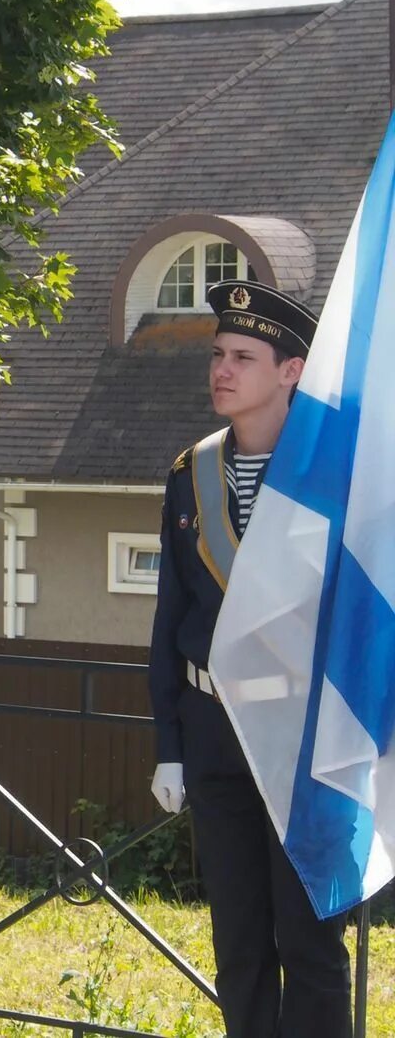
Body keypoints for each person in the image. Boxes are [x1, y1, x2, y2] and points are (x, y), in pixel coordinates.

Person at [147, 280, 350, 1037]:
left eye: (243, 356)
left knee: (311, 944)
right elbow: (171, 621)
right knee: (239, 947)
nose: (221, 370)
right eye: (217, 355)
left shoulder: (338, 477)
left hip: (304, 738)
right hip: (213, 731)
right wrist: (170, 746)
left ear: (291, 371)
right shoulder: (188, 475)